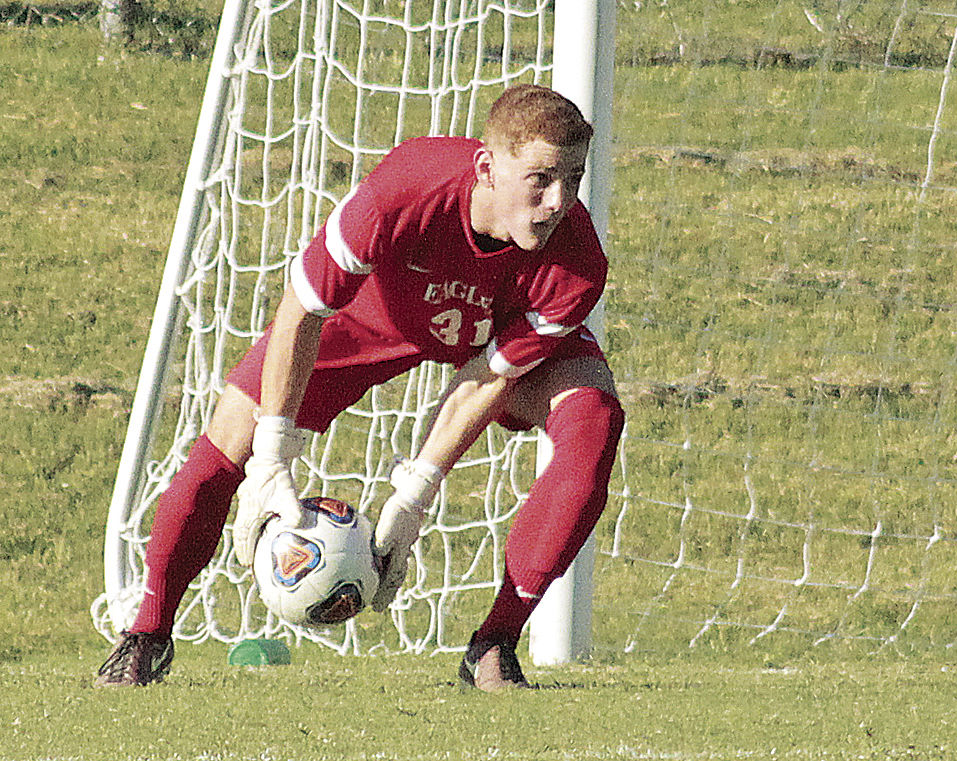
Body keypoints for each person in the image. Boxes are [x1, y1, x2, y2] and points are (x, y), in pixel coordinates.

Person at [95, 84, 625, 692]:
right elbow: (302, 308)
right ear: (487, 166)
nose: (559, 201)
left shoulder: (578, 260)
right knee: (230, 439)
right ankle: (145, 635)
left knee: (595, 420)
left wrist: (416, 491)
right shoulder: (410, 187)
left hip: (493, 332)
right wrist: (271, 457)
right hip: (369, 323)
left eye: (574, 178)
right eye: (540, 178)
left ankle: (495, 643)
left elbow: (489, 377)